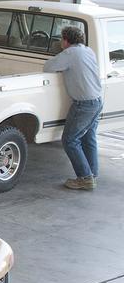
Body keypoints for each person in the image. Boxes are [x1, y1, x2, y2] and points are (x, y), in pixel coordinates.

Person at [44, 25, 101, 190]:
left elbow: (48, 67)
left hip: (84, 104)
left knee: (69, 140)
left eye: (61, 38)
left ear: (66, 40)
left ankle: (84, 178)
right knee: (88, 138)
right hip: (96, 101)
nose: (60, 41)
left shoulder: (70, 53)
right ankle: (91, 173)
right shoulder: (87, 51)